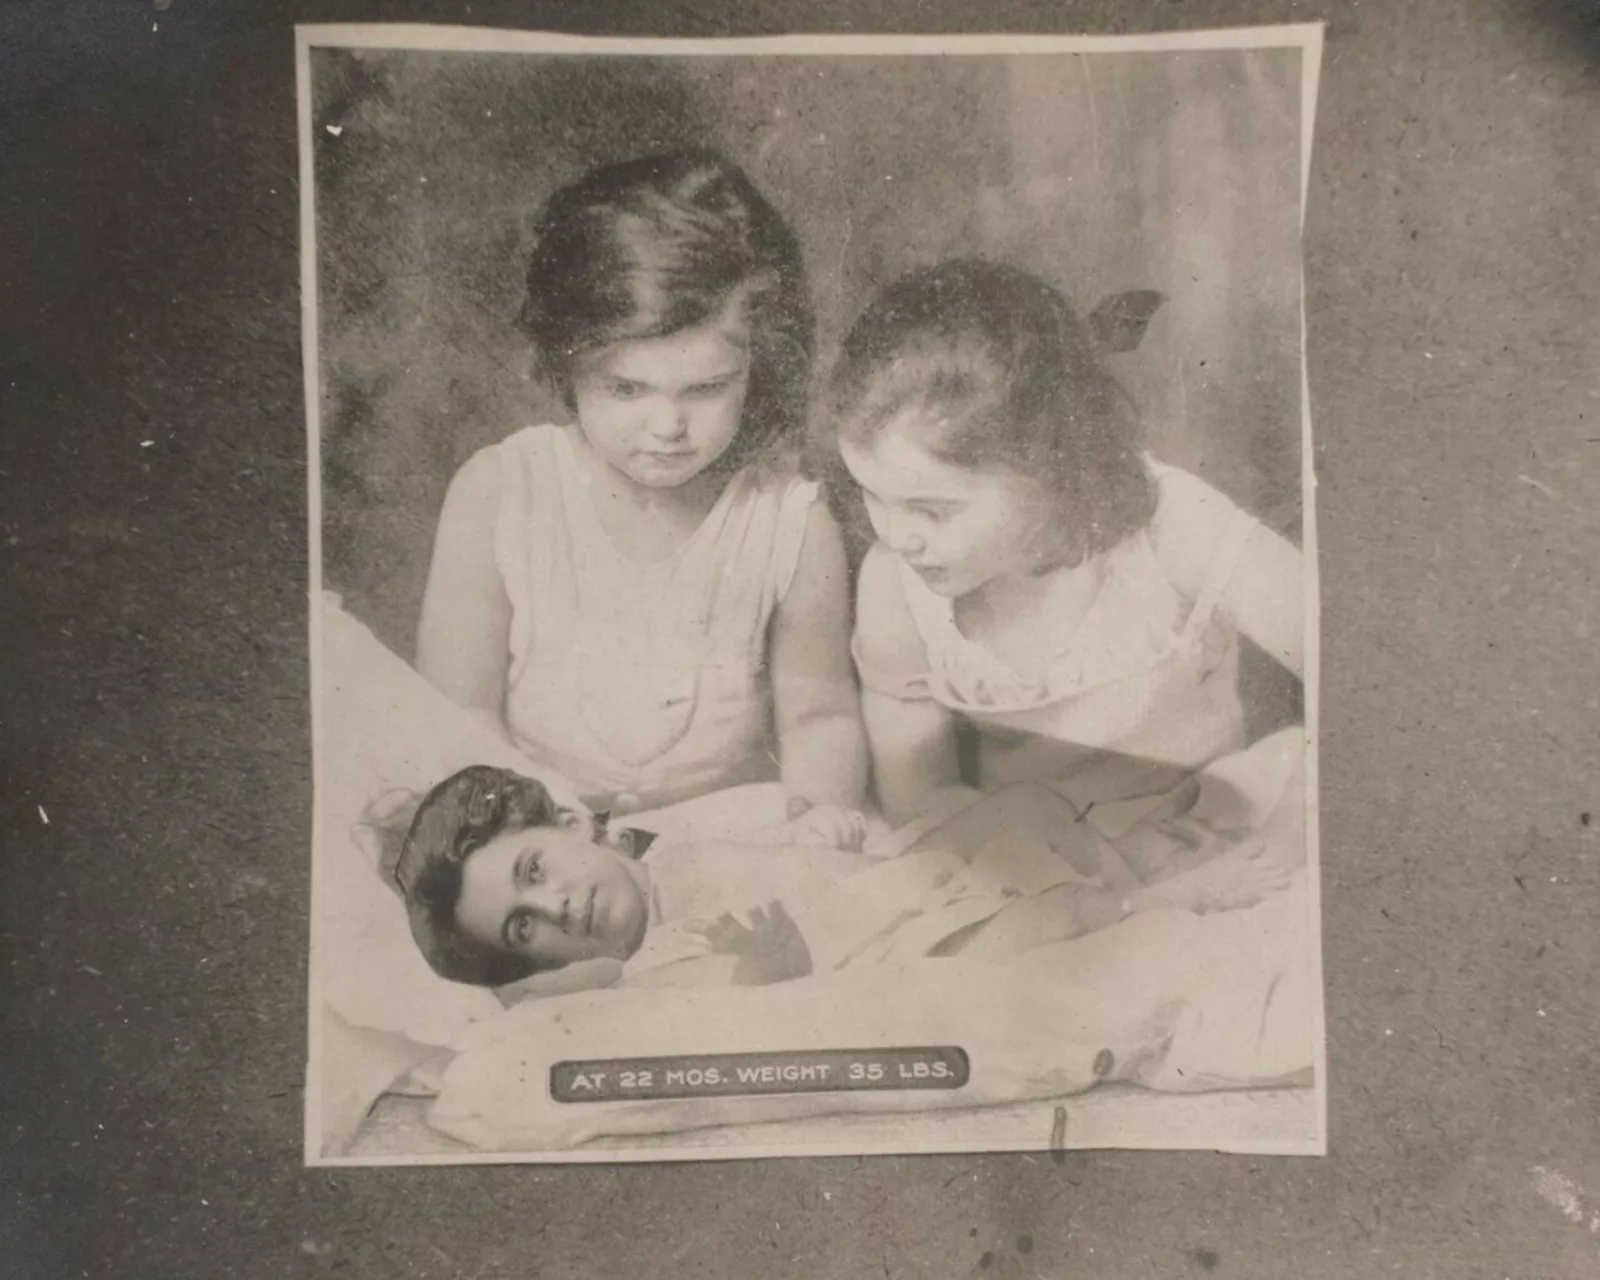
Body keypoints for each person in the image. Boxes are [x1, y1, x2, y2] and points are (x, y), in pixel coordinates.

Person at [414, 151, 867, 848]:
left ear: (758, 364)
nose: (668, 427)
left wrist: (816, 820)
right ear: (567, 360)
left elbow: (820, 715)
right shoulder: (499, 494)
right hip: (541, 853)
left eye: (707, 388)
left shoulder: (790, 524)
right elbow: (459, 717)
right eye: (626, 388)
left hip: (731, 848)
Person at [827, 260, 1306, 844]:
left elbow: (1342, 655)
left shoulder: (1173, 528)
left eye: (934, 510)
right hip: (1045, 861)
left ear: (1048, 469)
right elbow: (919, 797)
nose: (898, 535)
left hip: (1204, 840)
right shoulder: (895, 583)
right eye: (873, 496)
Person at [391, 762, 1300, 994]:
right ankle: (1166, 898)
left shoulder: (673, 842)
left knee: (1024, 807)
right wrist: (769, 967)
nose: (555, 905)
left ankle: (1145, 848)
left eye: (534, 870)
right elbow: (746, 1001)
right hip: (892, 947)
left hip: (899, 872)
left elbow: (772, 819)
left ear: (565, 823)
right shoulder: (656, 964)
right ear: (542, 963)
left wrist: (817, 823)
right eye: (524, 927)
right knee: (1039, 923)